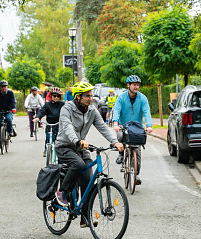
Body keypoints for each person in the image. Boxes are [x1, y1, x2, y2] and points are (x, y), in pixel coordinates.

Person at [54, 81, 124, 227]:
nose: (90, 98)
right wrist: (77, 140)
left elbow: (103, 127)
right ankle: (62, 192)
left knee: (87, 180)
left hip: (80, 147)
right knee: (78, 164)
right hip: (64, 146)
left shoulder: (92, 110)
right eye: (87, 96)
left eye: (91, 95)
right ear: (78, 97)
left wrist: (114, 141)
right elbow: (67, 127)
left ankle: (84, 218)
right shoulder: (67, 108)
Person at [112, 75, 153, 185]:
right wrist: (115, 123)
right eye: (134, 85)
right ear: (128, 85)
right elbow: (116, 110)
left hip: (136, 127)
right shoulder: (121, 98)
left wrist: (149, 125)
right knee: (120, 135)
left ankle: (136, 174)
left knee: (137, 152)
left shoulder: (142, 98)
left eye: (138, 85)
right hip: (123, 125)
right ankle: (121, 153)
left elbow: (146, 112)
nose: (136, 87)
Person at [33, 87, 65, 157]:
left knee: (59, 141)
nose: (56, 97)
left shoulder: (62, 105)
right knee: (49, 138)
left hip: (59, 125)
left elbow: (68, 113)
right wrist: (37, 117)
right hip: (50, 125)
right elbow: (42, 111)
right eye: (54, 96)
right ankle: (46, 149)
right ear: (51, 96)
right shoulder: (47, 105)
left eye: (58, 96)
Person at [0, 80, 16, 149]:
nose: (3, 88)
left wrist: (13, 108)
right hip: (0, 111)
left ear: (7, 87)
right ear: (0, 87)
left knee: (9, 119)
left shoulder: (10, 93)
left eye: (5, 86)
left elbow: (13, 102)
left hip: (8, 111)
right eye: (2, 86)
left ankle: (10, 131)